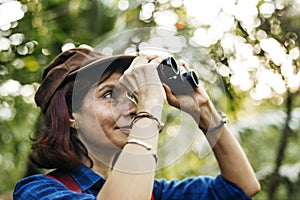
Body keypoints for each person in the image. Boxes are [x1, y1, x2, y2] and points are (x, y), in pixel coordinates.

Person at [13, 48, 260, 199]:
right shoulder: (38, 192)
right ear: (70, 114)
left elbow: (240, 188)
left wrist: (204, 112)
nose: (132, 108)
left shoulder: (153, 193)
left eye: (130, 95)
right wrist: (150, 106)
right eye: (109, 95)